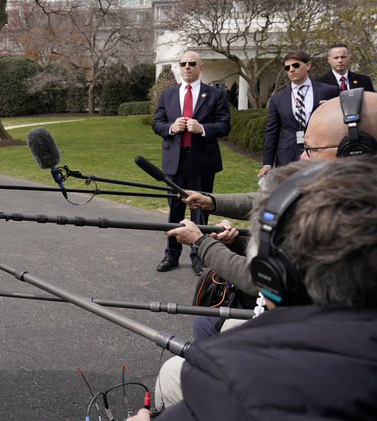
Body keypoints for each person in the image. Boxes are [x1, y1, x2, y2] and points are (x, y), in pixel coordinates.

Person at [150, 90, 377, 410]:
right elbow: (274, 199)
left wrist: (201, 242)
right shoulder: (353, 196)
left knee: (175, 372)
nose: (301, 158)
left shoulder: (341, 221)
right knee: (207, 323)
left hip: (309, 369)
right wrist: (215, 205)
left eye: (310, 149)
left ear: (355, 152)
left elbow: (258, 279)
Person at [152, 51, 231, 275]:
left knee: (200, 211)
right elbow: (157, 124)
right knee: (175, 209)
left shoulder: (215, 94)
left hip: (202, 161)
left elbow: (225, 125)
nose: (187, 67)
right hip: (174, 161)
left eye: (192, 63)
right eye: (183, 63)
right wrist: (170, 128)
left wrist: (203, 128)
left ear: (201, 67)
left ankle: (199, 257)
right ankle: (171, 255)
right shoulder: (167, 95)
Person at [258, 50, 338, 178]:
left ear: (308, 65)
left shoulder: (329, 91)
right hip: (288, 156)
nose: (291, 70)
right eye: (287, 67)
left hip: (321, 153)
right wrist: (267, 163)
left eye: (296, 65)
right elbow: (271, 132)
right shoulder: (277, 98)